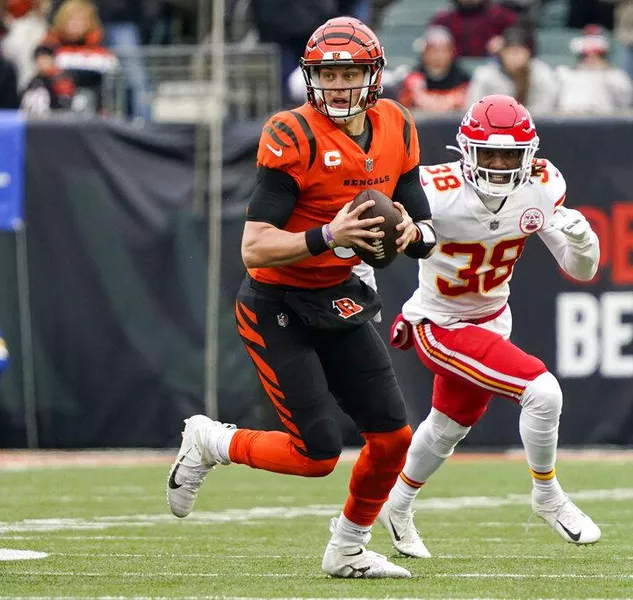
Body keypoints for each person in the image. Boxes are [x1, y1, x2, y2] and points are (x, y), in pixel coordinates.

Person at [166, 17, 437, 579]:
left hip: (340, 295)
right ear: (311, 77)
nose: (338, 85)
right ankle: (212, 440)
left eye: (350, 72)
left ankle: (347, 549)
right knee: (315, 455)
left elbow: (418, 215)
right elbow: (255, 248)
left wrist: (415, 234)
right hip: (278, 304)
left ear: (374, 75)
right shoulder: (294, 134)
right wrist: (328, 236)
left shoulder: (397, 125)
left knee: (392, 439)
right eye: (328, 73)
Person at [378, 94, 602, 558]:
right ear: (466, 151)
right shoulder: (436, 189)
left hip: (491, 321)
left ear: (530, 155)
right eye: (490, 153)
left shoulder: (542, 186)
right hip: (439, 323)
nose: (500, 165)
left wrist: (583, 239)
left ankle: (395, 505)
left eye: (510, 155)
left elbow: (581, 270)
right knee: (543, 392)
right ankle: (547, 494)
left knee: (447, 425)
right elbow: (405, 234)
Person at [466, 27, 558, 115]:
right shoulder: (485, 74)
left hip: (535, 126)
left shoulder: (542, 73)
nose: (514, 57)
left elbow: (547, 109)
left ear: (528, 53)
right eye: (509, 51)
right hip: (493, 126)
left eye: (518, 51)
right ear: (501, 53)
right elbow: (473, 108)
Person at [397, 26, 470, 113]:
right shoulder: (414, 76)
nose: (438, 55)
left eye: (443, 51)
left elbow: (464, 99)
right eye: (434, 50)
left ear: (451, 52)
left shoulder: (463, 77)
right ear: (424, 53)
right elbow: (410, 98)